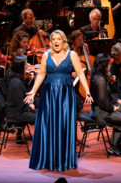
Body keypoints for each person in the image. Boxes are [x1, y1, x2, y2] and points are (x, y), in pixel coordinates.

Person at [25, 30, 92, 171]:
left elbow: (80, 73)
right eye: (53, 39)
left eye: (59, 39)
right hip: (48, 95)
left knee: (64, 125)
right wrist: (33, 91)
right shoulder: (46, 55)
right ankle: (47, 159)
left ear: (63, 41)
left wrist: (87, 91)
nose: (56, 41)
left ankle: (63, 160)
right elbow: (41, 74)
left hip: (65, 95)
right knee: (47, 125)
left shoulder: (72, 55)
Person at [90, 53, 121, 156]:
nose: (110, 66)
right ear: (104, 65)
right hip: (100, 112)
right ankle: (114, 147)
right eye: (108, 64)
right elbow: (102, 100)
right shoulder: (100, 79)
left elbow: (105, 94)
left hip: (101, 109)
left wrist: (110, 82)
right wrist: (112, 108)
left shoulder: (100, 76)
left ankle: (119, 146)